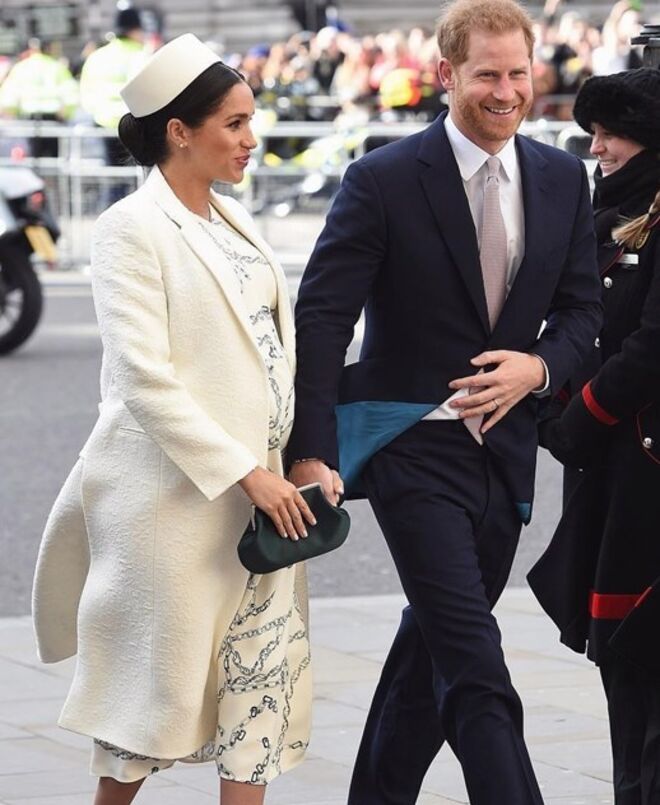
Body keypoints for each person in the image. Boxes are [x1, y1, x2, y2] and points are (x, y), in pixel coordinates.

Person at [287, 0, 603, 802]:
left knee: (429, 645)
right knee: (474, 662)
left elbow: (581, 314)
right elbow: (323, 316)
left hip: (506, 453)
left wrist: (537, 368)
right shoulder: (383, 179)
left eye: (518, 73)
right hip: (409, 446)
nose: (506, 91)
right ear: (445, 75)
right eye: (487, 74)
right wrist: (309, 450)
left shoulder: (564, 177)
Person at [32, 33, 313, 805]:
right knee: (142, 724)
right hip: (175, 512)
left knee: (256, 707)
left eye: (252, 120)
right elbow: (142, 382)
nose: (252, 140)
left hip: (265, 511)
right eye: (234, 123)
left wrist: (295, 460)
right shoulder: (131, 228)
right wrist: (248, 473)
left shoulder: (238, 221)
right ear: (179, 131)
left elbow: (271, 352)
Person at [528, 67, 660, 805]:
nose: (597, 146)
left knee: (644, 649)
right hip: (610, 468)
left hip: (642, 468)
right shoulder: (613, 206)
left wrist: (577, 419)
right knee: (618, 658)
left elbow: (651, 344)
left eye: (611, 133)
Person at [0, 38, 77, 158]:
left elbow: (9, 95)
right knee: (54, 157)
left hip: (28, 117)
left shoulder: (21, 67)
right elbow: (71, 92)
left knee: (33, 156)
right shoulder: (56, 66)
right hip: (53, 117)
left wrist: (12, 112)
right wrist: (66, 112)